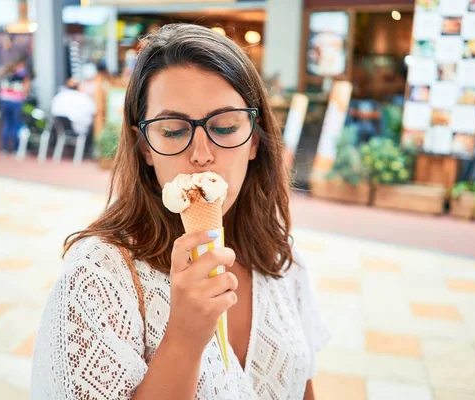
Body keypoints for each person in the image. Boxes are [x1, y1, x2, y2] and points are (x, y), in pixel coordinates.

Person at [31, 24, 330, 400]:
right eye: (172, 131)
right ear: (145, 148)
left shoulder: (280, 255)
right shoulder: (97, 276)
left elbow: (302, 387)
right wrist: (185, 338)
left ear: (254, 140)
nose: (201, 153)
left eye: (225, 127)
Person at [0, 57, 31, 154]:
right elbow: (26, 89)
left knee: (7, 124)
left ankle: (4, 148)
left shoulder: (6, 75)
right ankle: (16, 148)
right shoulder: (23, 76)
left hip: (4, 101)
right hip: (16, 102)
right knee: (17, 124)